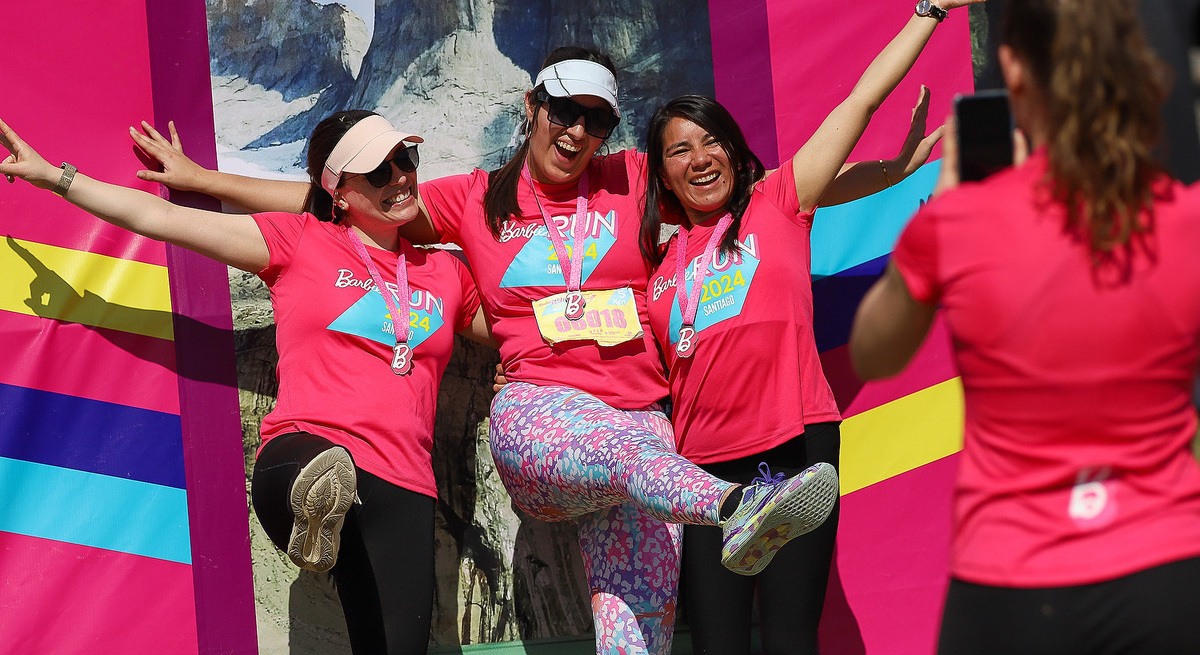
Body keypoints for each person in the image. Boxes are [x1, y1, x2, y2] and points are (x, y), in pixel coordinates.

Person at [127, 48, 839, 655]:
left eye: (595, 120)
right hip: (544, 420)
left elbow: (774, 191)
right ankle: (737, 505)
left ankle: (730, 509)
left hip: (642, 422)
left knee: (638, 633)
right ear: (532, 106)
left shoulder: (632, 178)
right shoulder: (475, 198)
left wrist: (878, 171)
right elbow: (347, 199)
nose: (578, 130)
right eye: (564, 111)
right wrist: (202, 181)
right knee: (629, 458)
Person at [0, 110, 493, 655]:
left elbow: (515, 331)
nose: (400, 176)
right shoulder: (300, 241)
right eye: (379, 171)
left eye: (406, 159)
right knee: (318, 470)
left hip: (404, 481)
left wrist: (532, 369)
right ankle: (316, 507)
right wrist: (57, 177)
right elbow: (161, 219)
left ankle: (328, 519)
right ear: (339, 193)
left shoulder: (445, 273)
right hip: (310, 447)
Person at [637, 0, 992, 655]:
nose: (699, 158)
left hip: (794, 446)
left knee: (792, 635)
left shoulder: (777, 201)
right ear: (664, 175)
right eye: (680, 150)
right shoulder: (656, 266)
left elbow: (859, 102)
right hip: (702, 473)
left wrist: (930, 10)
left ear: (736, 153)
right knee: (716, 643)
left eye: (711, 141)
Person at [848, 0, 1200, 655]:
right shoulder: (1187, 221)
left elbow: (874, 355)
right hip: (1166, 574)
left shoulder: (958, 225)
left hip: (1011, 585)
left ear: (1012, 68)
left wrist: (940, 224)